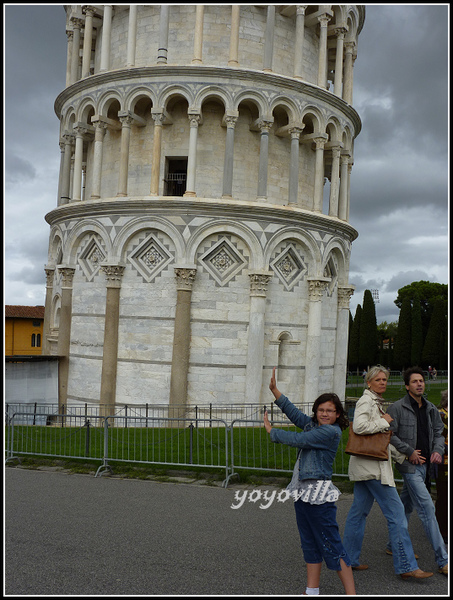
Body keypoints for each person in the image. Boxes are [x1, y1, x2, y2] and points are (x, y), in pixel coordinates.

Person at [264, 367, 356, 595]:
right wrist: (276, 391)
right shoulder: (314, 425)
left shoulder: (330, 433)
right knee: (309, 543)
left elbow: (301, 439)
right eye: (321, 410)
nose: (324, 414)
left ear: (337, 415)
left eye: (330, 411)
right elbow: (295, 415)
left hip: (319, 496)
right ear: (316, 412)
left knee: (331, 544)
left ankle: (352, 593)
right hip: (302, 493)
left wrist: (272, 431)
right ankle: (311, 590)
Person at [342, 365, 433, 580]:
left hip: (366, 467)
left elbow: (379, 439)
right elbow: (360, 427)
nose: (382, 382)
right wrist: (385, 421)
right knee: (397, 515)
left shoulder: (375, 402)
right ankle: (406, 565)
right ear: (369, 382)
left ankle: (347, 561)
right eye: (378, 380)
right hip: (373, 470)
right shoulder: (367, 401)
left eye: (384, 379)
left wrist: (404, 456)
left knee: (358, 514)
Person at [386, 367, 448, 576]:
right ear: (406, 386)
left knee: (406, 505)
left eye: (421, 380)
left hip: (427, 467)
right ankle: (443, 560)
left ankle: (392, 544)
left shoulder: (430, 408)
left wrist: (438, 450)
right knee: (427, 508)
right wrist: (409, 451)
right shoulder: (397, 407)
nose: (419, 384)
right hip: (409, 465)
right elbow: (389, 434)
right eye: (415, 381)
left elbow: (439, 433)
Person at [434, 389, 448, 543]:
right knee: (444, 496)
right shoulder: (441, 415)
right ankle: (442, 530)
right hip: (443, 463)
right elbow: (439, 439)